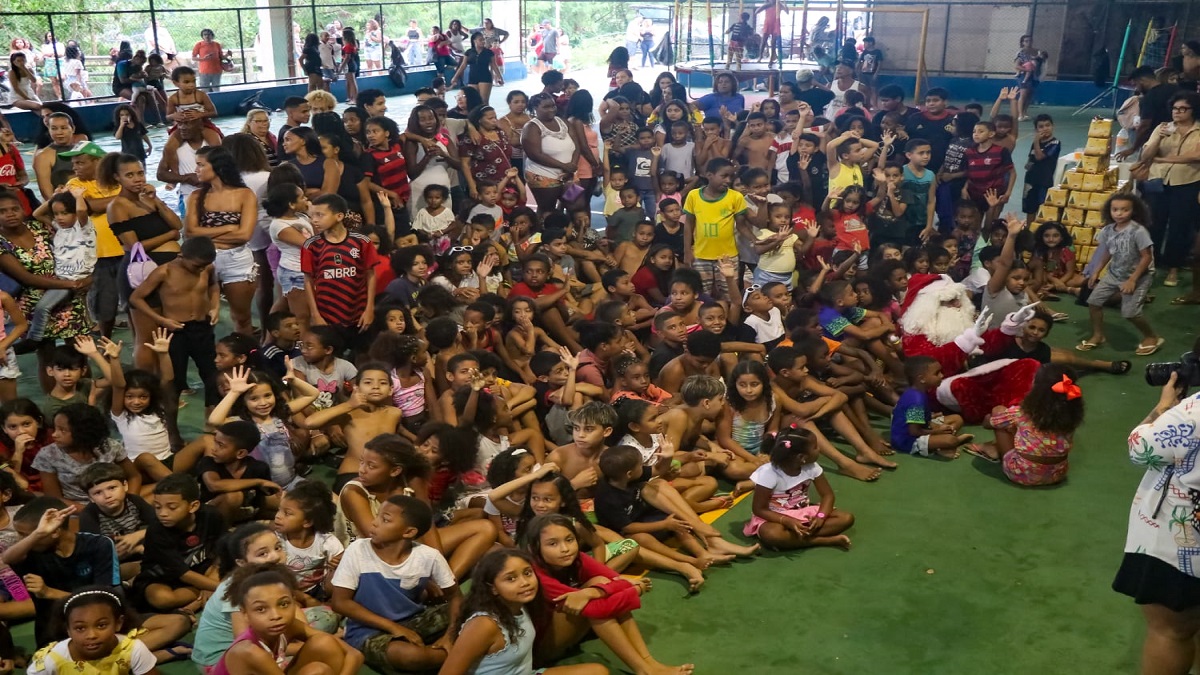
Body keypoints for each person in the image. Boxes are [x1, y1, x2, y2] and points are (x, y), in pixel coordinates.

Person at [1113, 366, 1200, 675]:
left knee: (1171, 630)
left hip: (1182, 543)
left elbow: (1141, 449)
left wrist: (1163, 407)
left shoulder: (1194, 412)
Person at [1134, 91, 1200, 294]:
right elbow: (1145, 156)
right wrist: (1157, 140)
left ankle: (1173, 267)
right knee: (1155, 224)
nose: (1177, 112)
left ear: (1193, 110)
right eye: (1175, 109)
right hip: (1158, 182)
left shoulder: (1198, 131)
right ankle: (1151, 264)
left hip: (1187, 182)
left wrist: (1163, 159)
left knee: (1180, 226)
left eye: (1183, 109)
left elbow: (1196, 156)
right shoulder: (1162, 128)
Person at [521, 93, 578, 215]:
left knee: (576, 203)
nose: (552, 109)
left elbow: (576, 146)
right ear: (535, 108)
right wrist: (564, 166)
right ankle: (543, 232)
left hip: (568, 173)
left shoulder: (563, 121)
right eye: (546, 107)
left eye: (553, 106)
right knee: (547, 210)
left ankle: (563, 228)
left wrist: (572, 165)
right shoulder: (531, 127)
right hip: (544, 175)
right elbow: (535, 154)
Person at [450, 32, 504, 106]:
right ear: (474, 41)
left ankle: (486, 116)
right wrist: (455, 77)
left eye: (484, 40)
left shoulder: (489, 52)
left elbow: (494, 65)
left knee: (484, 101)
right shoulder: (469, 52)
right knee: (473, 101)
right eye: (480, 40)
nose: (483, 41)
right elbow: (463, 66)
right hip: (472, 77)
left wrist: (500, 77)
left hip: (485, 77)